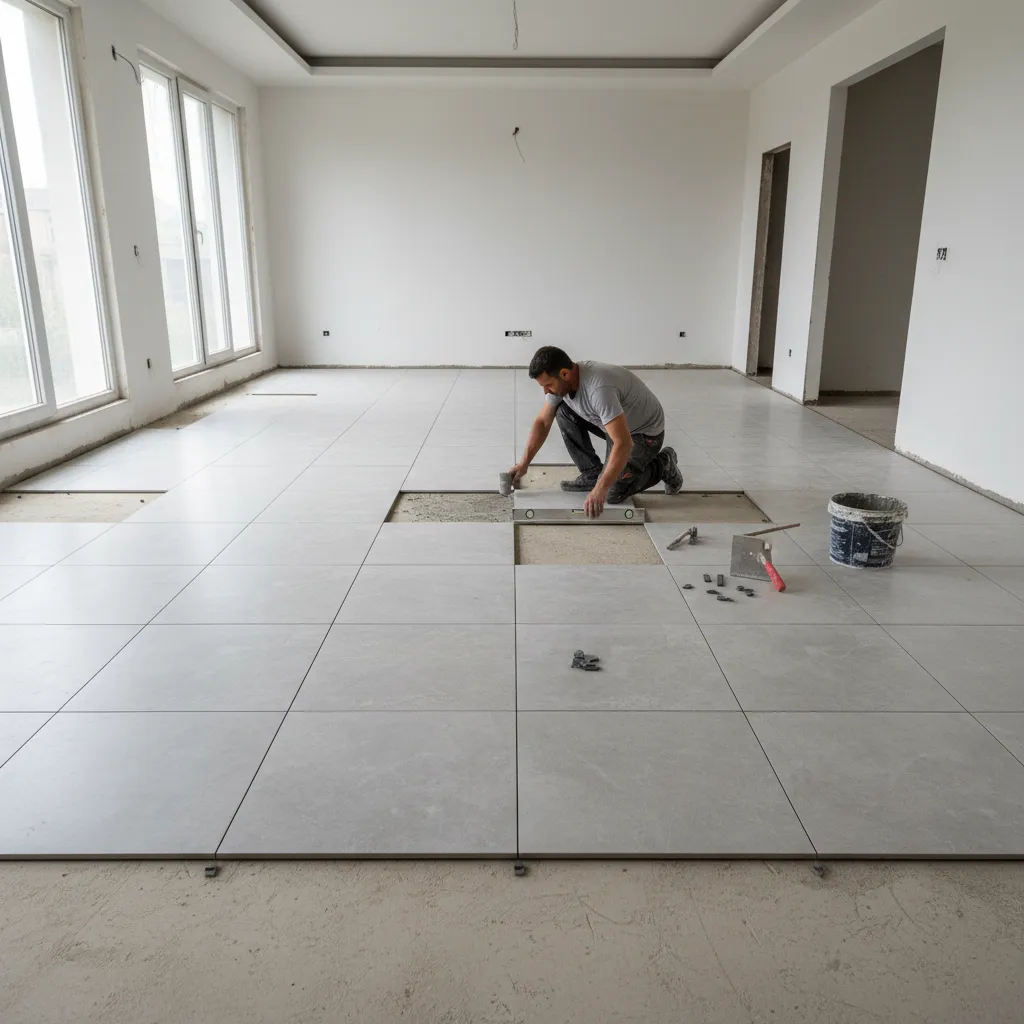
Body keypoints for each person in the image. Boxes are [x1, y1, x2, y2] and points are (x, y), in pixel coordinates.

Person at [510, 346, 683, 518]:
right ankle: (591, 473)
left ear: (564, 374)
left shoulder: (598, 390)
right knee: (562, 411)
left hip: (643, 434)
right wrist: (524, 463)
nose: (546, 391)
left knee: (612, 493)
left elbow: (623, 443)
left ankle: (664, 465)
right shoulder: (565, 382)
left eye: (548, 385)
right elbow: (542, 421)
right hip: (615, 424)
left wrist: (601, 488)